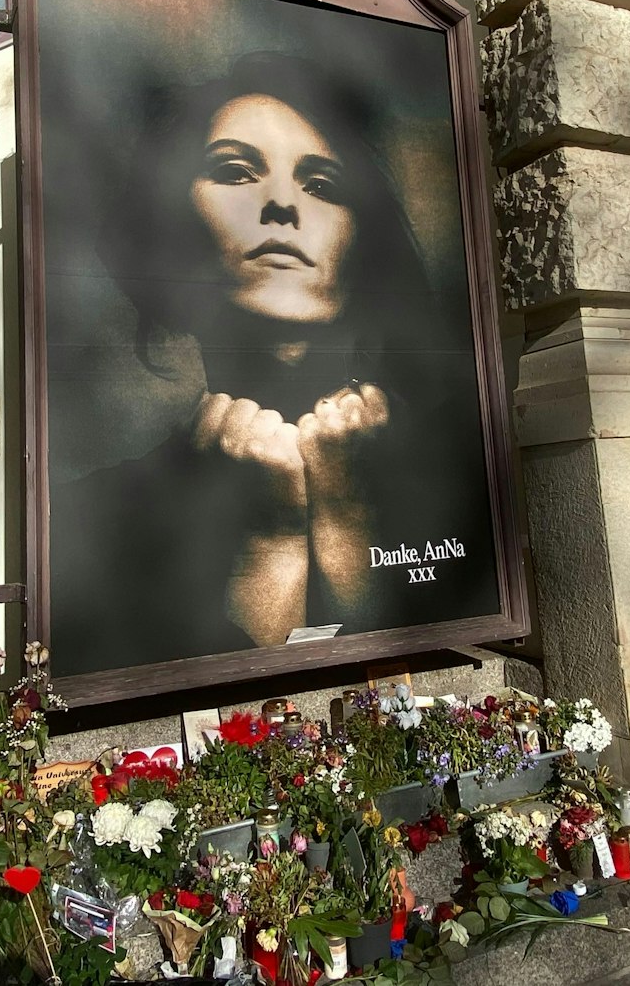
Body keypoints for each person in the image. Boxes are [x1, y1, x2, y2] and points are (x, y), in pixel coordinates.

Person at [50, 51, 496, 675]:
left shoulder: (476, 485)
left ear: (364, 237)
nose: (283, 204)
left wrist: (344, 514)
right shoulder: (91, 522)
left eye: (322, 185)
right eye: (235, 173)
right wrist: (270, 543)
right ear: (168, 217)